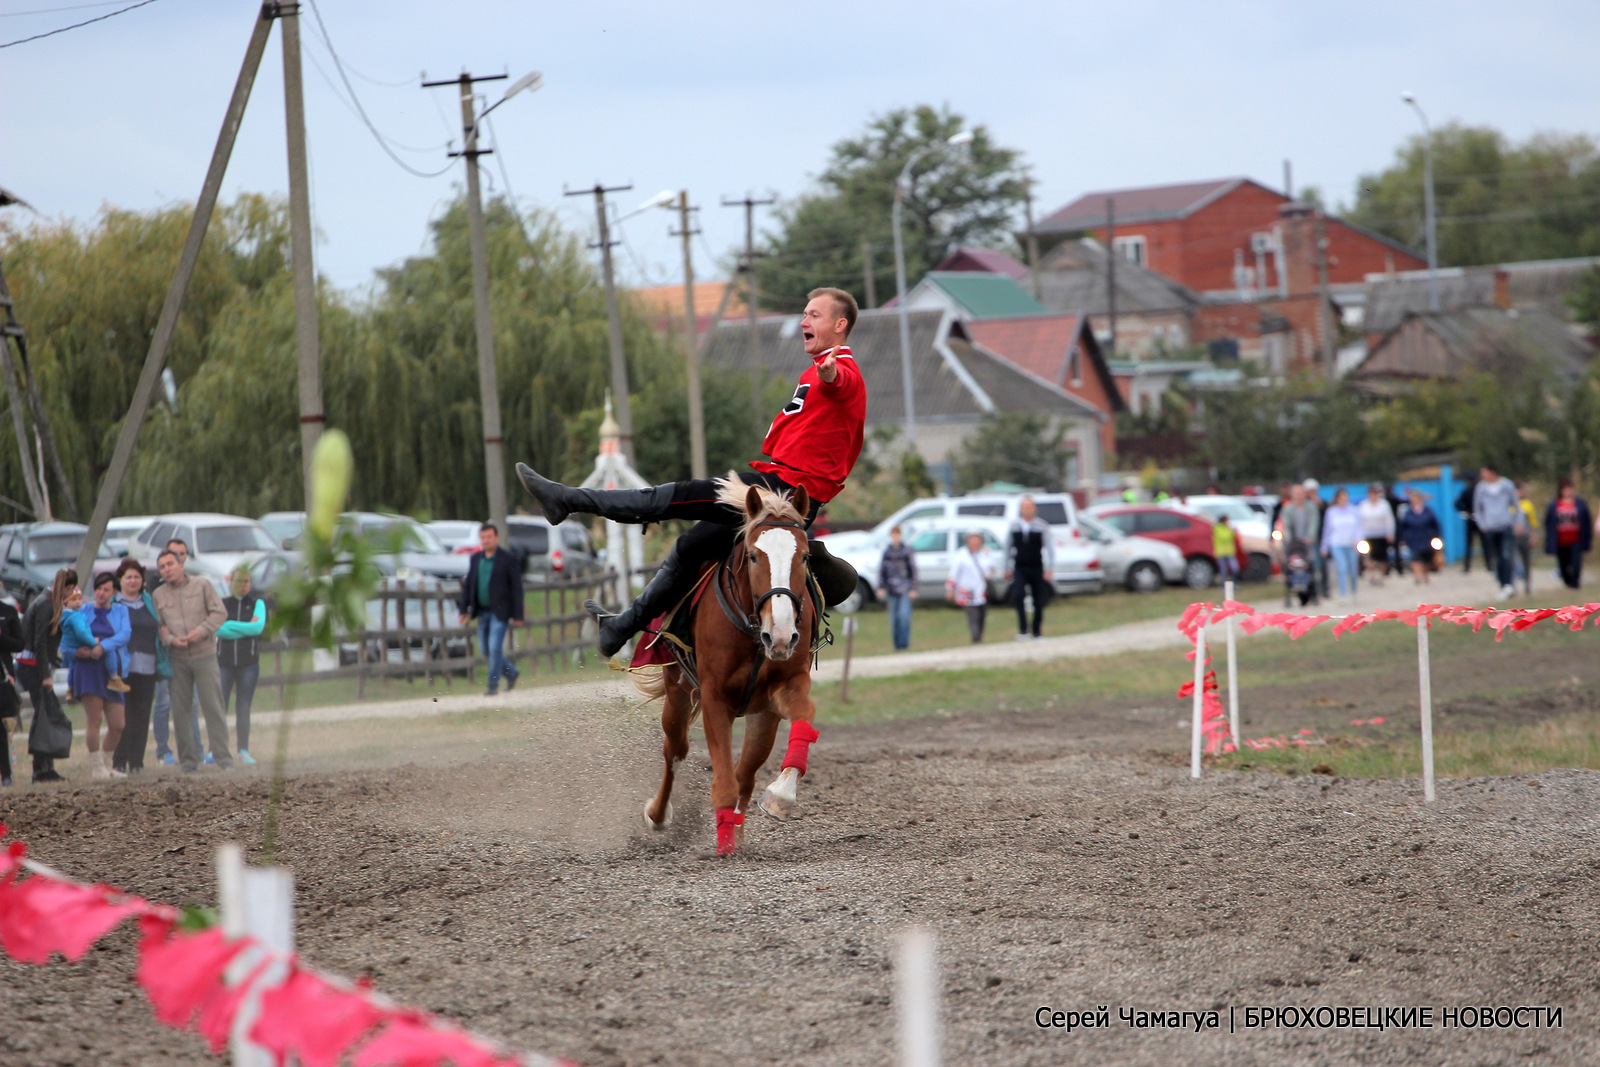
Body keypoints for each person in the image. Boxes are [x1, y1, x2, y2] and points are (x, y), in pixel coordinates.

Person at [516, 287, 866, 657]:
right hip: (778, 486)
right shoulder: (815, 369)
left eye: (814, 315)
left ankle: (566, 500)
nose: (804, 320)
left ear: (840, 325)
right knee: (690, 546)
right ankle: (620, 628)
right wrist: (824, 372)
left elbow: (840, 381)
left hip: (780, 493)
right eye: (805, 313)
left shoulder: (842, 370)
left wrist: (830, 374)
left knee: (674, 497)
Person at [153, 548, 233, 772]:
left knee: (213, 707)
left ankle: (223, 758)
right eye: (162, 567)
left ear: (181, 564)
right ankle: (188, 761)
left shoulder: (202, 585)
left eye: (170, 564)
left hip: (204, 654)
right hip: (177, 659)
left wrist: (202, 631)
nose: (167, 570)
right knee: (181, 711)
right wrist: (170, 639)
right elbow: (158, 627)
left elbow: (219, 613)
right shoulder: (158, 595)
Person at [61, 571, 132, 779]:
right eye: (98, 589)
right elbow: (65, 640)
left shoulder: (120, 611)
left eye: (106, 589)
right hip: (88, 669)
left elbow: (124, 634)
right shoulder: (82, 610)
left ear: (114, 592)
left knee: (118, 723)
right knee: (95, 720)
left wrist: (103, 647)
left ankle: (108, 763)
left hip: (112, 671)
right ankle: (97, 767)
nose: (101, 593)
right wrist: (77, 652)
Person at [111, 558, 166, 774]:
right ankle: (118, 761)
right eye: (128, 577)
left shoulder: (149, 602)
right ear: (120, 580)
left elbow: (160, 626)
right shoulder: (114, 605)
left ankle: (137, 762)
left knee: (142, 715)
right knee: (122, 717)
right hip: (120, 669)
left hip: (148, 667)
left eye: (137, 577)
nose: (133, 581)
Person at [18, 568, 75, 782]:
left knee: (46, 714)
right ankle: (40, 769)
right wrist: (45, 674)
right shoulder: (46, 605)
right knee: (43, 715)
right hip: (33, 667)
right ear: (68, 587)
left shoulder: (46, 601)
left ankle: (45, 766)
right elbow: (40, 641)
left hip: (35, 665)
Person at [457, 523, 524, 695]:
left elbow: (517, 589)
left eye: (489, 537)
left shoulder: (508, 559)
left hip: (500, 612)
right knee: (486, 650)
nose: (486, 540)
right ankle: (512, 673)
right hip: (482, 611)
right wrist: (464, 609)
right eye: (483, 537)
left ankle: (492, 686)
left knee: (495, 648)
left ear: (496, 538)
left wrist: (518, 614)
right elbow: (469, 586)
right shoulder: (476, 559)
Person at [152, 536, 201, 764]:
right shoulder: (157, 588)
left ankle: (196, 749)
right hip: (165, 655)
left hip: (189, 653)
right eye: (175, 553)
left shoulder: (195, 585)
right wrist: (169, 638)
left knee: (191, 703)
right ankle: (163, 750)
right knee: (163, 703)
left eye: (183, 554)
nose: (179, 558)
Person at [218, 564, 266, 764]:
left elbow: (256, 628)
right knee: (220, 706)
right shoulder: (221, 604)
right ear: (230, 581)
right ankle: (217, 749)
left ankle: (243, 750)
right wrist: (237, 627)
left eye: (247, 581)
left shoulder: (257, 604)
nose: (243, 585)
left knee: (244, 706)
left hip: (249, 664)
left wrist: (230, 625)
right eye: (239, 580)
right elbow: (218, 630)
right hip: (224, 663)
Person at [1006, 496, 1055, 640]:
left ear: (1034, 509)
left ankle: (1037, 630)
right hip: (1020, 566)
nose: (1027, 509)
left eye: (1030, 506)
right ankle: (1023, 630)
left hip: (1036, 566)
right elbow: (1008, 548)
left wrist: (1049, 568)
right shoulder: (1014, 526)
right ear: (1021, 509)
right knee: (1018, 595)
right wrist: (1006, 567)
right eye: (1024, 507)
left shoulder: (1041, 526)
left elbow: (1050, 548)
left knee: (1038, 598)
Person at [1472, 465, 1521, 599]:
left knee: (1507, 556)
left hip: (1506, 525)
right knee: (1497, 558)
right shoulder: (1481, 488)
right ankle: (1503, 585)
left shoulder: (1506, 485)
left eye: (1485, 473)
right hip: (1490, 527)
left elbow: (1516, 504)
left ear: (1492, 472)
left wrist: (1518, 522)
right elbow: (1477, 508)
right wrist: (1482, 524)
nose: (1483, 476)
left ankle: (1509, 584)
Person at [946, 530, 995, 644]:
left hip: (981, 588)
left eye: (977, 538)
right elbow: (953, 572)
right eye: (972, 538)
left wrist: (989, 572)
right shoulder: (961, 554)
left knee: (982, 613)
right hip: (966, 589)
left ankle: (980, 633)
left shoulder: (985, 553)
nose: (974, 541)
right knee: (972, 613)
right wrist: (950, 588)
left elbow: (991, 569)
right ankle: (975, 635)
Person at [875, 525, 917, 651]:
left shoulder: (906, 551)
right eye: (893, 534)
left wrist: (913, 588)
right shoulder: (887, 552)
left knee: (903, 616)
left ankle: (904, 643)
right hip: (891, 588)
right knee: (894, 619)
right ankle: (897, 645)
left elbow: (913, 570)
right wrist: (880, 587)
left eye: (897, 534)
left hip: (905, 588)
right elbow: (882, 570)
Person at [1544, 479, 1592, 590]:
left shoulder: (1580, 504)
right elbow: (1548, 522)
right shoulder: (1554, 505)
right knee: (1563, 565)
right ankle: (1568, 582)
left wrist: (1588, 537)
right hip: (1560, 540)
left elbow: (1586, 521)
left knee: (1576, 563)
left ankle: (1575, 584)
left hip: (1576, 539)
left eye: (1569, 489)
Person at [1320, 488, 1362, 600]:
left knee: (1353, 569)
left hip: (1351, 544)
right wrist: (1324, 545)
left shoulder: (1354, 510)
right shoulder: (1331, 512)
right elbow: (1327, 529)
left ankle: (1354, 591)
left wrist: (1359, 540)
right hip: (1337, 543)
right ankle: (1343, 593)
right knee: (1342, 568)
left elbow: (1358, 528)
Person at [0, 580, 23, 787]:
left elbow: (20, 643)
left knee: (1, 728)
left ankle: (6, 774)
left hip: (2, 677)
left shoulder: (8, 612)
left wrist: (2, 638)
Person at [1397, 489, 1443, 585]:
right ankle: (1417, 577)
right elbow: (1403, 526)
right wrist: (1403, 538)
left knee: (1426, 559)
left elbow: (1435, 524)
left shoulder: (1428, 511)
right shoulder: (1408, 512)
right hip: (1414, 538)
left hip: (1427, 537)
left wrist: (1437, 536)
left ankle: (1426, 575)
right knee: (1415, 558)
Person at [1357, 482, 1397, 587]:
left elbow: (1389, 519)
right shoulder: (1363, 505)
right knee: (1370, 557)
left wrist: (1390, 532)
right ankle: (1372, 576)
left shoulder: (1384, 505)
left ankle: (1382, 577)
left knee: (1382, 557)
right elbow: (1359, 521)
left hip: (1381, 534)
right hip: (1368, 535)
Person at [1514, 482, 1539, 596]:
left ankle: (1527, 585)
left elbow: (1533, 522)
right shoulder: (1509, 505)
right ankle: (1513, 587)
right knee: (1513, 561)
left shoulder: (1527, 504)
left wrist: (1534, 536)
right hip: (1513, 538)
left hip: (1525, 537)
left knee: (1526, 561)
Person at [1455, 478, 1480, 573]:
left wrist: (1463, 511)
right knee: (1486, 543)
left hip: (1470, 517)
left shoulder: (1466, 491)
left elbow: (1457, 503)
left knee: (1469, 544)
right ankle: (1489, 565)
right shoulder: (1480, 491)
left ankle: (1467, 566)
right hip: (1480, 518)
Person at [1213, 514, 1240, 586]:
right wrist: (1230, 530)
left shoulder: (1229, 528)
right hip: (1221, 552)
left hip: (1230, 552)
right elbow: (1223, 537)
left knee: (1235, 569)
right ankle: (1223, 586)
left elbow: (1234, 539)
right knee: (1223, 571)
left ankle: (1234, 584)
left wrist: (1233, 531)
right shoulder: (1217, 528)